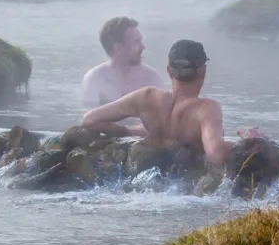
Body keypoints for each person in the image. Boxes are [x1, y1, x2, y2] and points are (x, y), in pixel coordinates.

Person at [80, 39, 234, 169]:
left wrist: (126, 132)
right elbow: (216, 154)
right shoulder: (206, 109)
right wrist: (247, 143)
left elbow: (89, 120)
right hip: (182, 182)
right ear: (203, 71)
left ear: (169, 71)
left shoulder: (146, 98)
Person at [81, 17, 168, 134]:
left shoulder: (152, 77)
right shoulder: (95, 78)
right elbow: (87, 122)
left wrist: (129, 132)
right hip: (109, 140)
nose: (143, 47)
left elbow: (165, 122)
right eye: (137, 42)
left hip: (144, 139)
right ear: (118, 48)